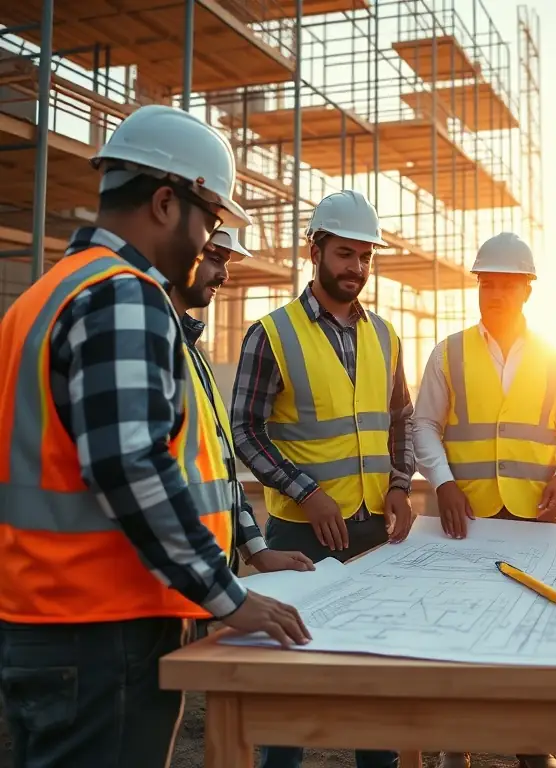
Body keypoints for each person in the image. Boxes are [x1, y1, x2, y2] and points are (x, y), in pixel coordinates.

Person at [0, 104, 310, 768]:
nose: (209, 246)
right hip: (101, 634)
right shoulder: (123, 294)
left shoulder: (45, 295)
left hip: (49, 625)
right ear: (167, 203)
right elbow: (131, 465)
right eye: (211, 222)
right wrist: (229, 597)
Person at [230, 190, 413, 768]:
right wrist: (306, 493)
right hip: (299, 540)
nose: (356, 268)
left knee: (376, 683)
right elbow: (245, 431)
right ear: (315, 250)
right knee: (291, 689)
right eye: (344, 253)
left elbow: (400, 420)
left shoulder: (386, 336)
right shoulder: (271, 334)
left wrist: (402, 486)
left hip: (374, 537)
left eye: (364, 257)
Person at [411, 231, 556, 768]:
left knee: (529, 635)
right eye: (485, 284)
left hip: (531, 516)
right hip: (463, 517)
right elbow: (424, 425)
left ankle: (532, 748)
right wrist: (442, 481)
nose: (493, 294)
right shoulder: (450, 352)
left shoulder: (555, 357)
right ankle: (453, 746)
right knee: (459, 632)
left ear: (527, 291)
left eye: (505, 285)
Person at [168, 226, 316, 581]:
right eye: (215, 257)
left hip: (203, 576)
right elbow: (138, 483)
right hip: (168, 587)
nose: (224, 273)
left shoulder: (191, 352)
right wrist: (228, 598)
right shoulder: (147, 347)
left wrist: (257, 551)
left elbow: (219, 470)